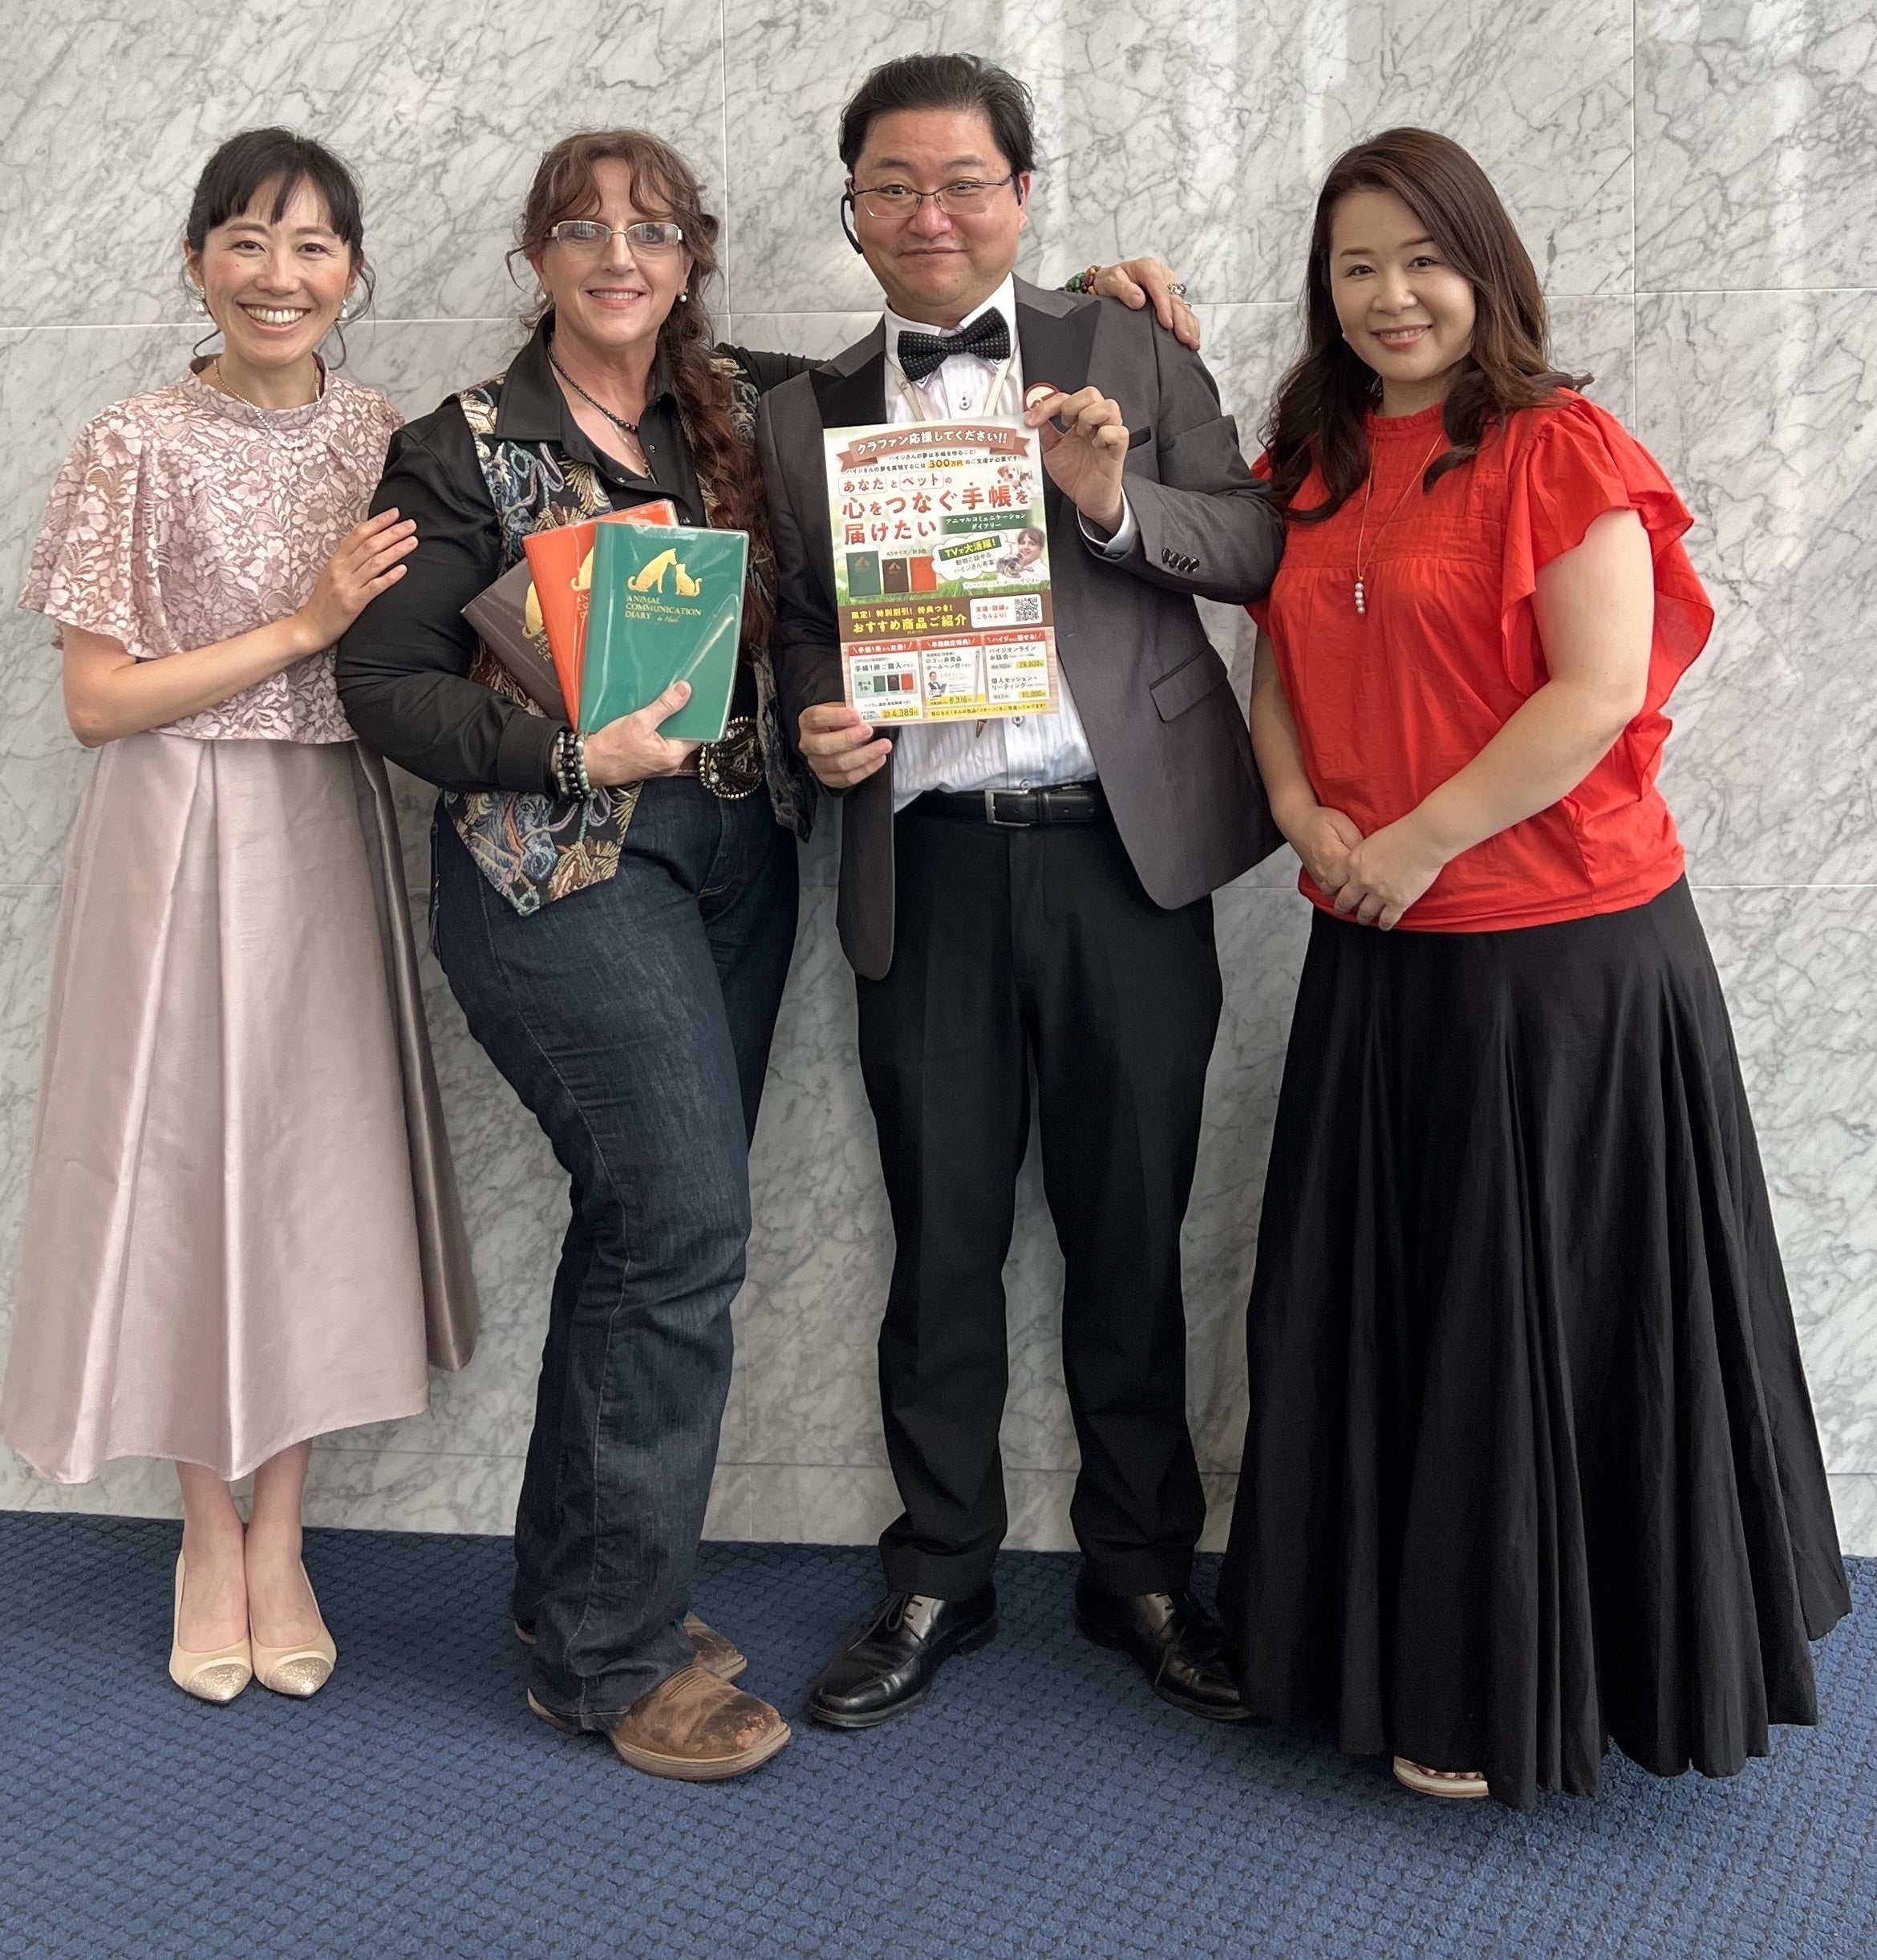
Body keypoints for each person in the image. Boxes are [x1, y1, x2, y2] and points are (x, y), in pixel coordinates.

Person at [336, 124, 1193, 1781]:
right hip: (563, 875)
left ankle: (571, 1597)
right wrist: (570, 751)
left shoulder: (744, 406)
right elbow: (383, 687)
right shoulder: (459, 447)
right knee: (683, 1228)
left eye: (653, 229)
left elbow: (938, 354)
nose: (619, 256)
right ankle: (616, 1658)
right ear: (537, 256)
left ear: (694, 257)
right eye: (584, 228)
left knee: (643, 1228)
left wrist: (1093, 300)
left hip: (735, 871)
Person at [1216, 128, 1849, 1808]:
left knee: (1536, 1328)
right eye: (1356, 267)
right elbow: (1278, 659)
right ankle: (1392, 1663)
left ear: (1485, 268)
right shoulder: (1308, 457)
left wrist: (1418, 840)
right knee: (1398, 1320)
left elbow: (1594, 691)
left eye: (1424, 259)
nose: (1392, 296)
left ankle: (1518, 1694)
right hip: (1375, 945)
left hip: (1559, 959)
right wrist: (1300, 811)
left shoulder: (1562, 447)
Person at [758, 53, 1286, 1733]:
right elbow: (799, 632)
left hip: (1124, 860)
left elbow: (1253, 546)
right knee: (943, 1238)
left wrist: (1112, 500)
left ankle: (1143, 1571)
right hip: (929, 867)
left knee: (1133, 1227)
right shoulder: (800, 411)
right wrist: (816, 720)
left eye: (965, 182)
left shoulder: (1133, 347)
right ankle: (939, 1570)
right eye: (894, 186)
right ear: (852, 209)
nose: (931, 213)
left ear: (1023, 194)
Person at [2, 128, 478, 1706]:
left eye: (314, 245)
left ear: (354, 271)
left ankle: (286, 1532)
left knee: (309, 1169)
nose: (281, 276)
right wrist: (303, 622)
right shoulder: (133, 441)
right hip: (172, 823)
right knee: (184, 1163)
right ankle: (207, 1536)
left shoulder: (388, 436)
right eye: (249, 242)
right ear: (199, 260)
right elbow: (96, 702)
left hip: (329, 821)